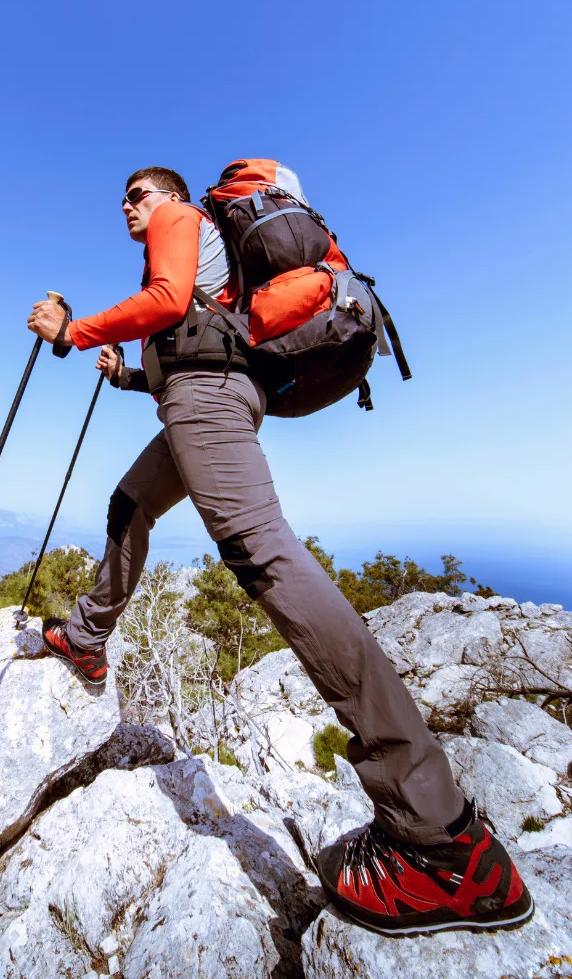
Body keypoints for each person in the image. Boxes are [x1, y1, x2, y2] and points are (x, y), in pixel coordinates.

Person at [27, 166, 533, 937]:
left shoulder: (179, 217)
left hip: (205, 400)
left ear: (165, 195)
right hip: (209, 395)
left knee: (265, 557)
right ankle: (90, 636)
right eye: (124, 199)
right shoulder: (212, 254)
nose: (128, 207)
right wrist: (130, 374)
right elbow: (196, 331)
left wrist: (74, 329)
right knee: (129, 501)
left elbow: (166, 306)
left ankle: (443, 841)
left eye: (138, 194)